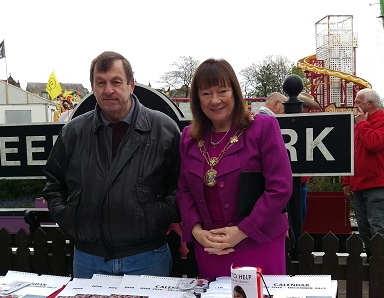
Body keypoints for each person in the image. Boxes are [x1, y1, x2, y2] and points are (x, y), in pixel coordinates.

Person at [43, 51, 181, 278]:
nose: (108, 90)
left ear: (131, 85)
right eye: (101, 83)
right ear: (93, 87)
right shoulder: (73, 132)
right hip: (89, 259)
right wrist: (71, 218)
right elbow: (53, 183)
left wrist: (161, 214)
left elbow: (180, 183)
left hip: (147, 258)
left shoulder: (163, 129)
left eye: (116, 82)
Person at [176, 58, 292, 280]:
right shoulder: (189, 138)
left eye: (222, 91)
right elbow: (184, 191)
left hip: (259, 243)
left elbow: (280, 188)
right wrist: (197, 232)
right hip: (210, 248)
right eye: (206, 93)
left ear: (235, 93)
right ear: (197, 99)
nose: (215, 100)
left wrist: (242, 231)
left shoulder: (263, 128)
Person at [342, 88, 384, 256]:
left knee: (377, 225)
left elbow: (373, 144)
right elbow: (351, 153)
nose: (355, 105)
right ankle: (372, 259)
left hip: (376, 183)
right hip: (359, 184)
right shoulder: (359, 124)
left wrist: (362, 124)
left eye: (358, 102)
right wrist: (346, 180)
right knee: (364, 227)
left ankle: (381, 261)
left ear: (369, 104)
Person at [297, 92, 322, 223]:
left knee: (301, 211)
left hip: (303, 178)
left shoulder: (310, 123)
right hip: (291, 178)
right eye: (306, 107)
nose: (308, 110)